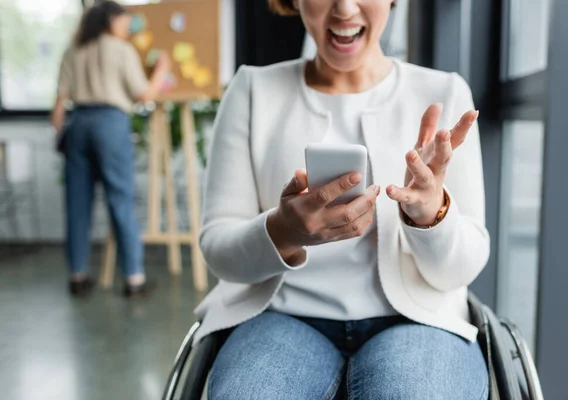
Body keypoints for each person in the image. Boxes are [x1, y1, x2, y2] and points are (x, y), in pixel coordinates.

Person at [195, 0, 490, 398]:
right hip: (281, 316)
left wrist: (429, 214)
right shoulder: (251, 91)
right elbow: (218, 250)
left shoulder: (444, 92)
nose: (345, 9)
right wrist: (282, 231)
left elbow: (460, 269)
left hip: (416, 320)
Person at [51, 0, 171, 298]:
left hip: (77, 123)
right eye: (124, 21)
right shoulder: (121, 50)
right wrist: (162, 70)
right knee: (120, 200)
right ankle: (134, 279)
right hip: (110, 123)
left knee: (77, 204)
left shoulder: (73, 48)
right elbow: (144, 94)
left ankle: (77, 277)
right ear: (111, 20)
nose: (128, 27)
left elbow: (57, 108)